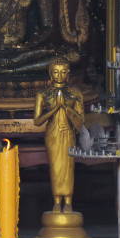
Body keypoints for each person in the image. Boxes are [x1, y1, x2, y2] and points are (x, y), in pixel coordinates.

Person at [33, 58, 84, 212]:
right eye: (55, 72)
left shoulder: (75, 93)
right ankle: (56, 201)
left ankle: (68, 201)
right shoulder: (43, 94)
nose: (59, 75)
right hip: (53, 134)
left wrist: (67, 109)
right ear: (50, 73)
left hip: (68, 132)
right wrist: (55, 108)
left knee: (68, 167)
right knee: (56, 168)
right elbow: (37, 121)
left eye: (63, 72)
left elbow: (81, 122)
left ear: (68, 73)